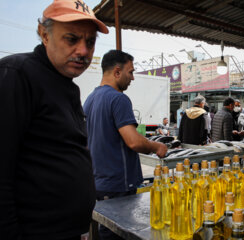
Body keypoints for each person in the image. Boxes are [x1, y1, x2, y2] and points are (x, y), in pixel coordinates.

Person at [0, 0, 109, 239]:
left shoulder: (67, 86)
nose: (83, 51)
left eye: (90, 42)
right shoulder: (17, 74)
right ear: (44, 34)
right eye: (72, 39)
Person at [83, 50, 167, 239]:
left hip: (98, 182)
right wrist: (157, 147)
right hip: (117, 184)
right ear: (117, 72)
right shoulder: (118, 99)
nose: (133, 78)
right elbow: (134, 141)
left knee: (105, 231)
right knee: (117, 234)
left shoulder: (90, 100)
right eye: (131, 72)